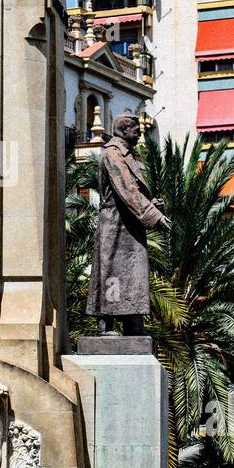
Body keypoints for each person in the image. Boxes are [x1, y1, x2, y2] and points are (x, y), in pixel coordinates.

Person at [85, 113, 171, 335]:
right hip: (115, 225)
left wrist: (150, 203)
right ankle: (106, 324)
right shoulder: (112, 155)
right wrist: (155, 215)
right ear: (124, 131)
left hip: (129, 224)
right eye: (136, 130)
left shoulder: (126, 154)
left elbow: (132, 192)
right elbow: (127, 190)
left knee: (133, 274)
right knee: (112, 272)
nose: (139, 133)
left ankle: (133, 322)